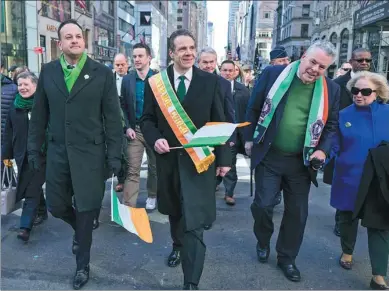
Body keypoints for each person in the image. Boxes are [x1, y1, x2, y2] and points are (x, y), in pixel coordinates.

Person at [27, 19, 122, 290]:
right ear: (60, 43)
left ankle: (82, 265)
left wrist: (115, 155)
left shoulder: (102, 73)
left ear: (84, 40)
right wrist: (35, 150)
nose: (75, 40)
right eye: (68, 37)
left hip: (91, 155)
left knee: (86, 210)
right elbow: (39, 117)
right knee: (57, 206)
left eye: (78, 36)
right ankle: (79, 231)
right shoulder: (48, 72)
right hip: (58, 153)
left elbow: (113, 118)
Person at [140, 29, 231, 290]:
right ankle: (177, 246)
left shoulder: (210, 81)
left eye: (192, 47)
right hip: (168, 161)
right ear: (171, 53)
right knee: (176, 214)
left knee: (195, 223)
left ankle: (191, 282)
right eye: (182, 49)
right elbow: (146, 119)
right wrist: (154, 137)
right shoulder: (156, 83)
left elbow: (220, 120)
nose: (189, 52)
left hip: (200, 162)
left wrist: (224, 159)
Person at [245, 40, 340, 282]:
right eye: (313, 62)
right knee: (263, 206)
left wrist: (322, 151)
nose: (315, 69)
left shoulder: (331, 89)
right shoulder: (273, 74)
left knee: (297, 213)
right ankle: (263, 239)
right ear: (303, 56)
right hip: (270, 155)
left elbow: (330, 126)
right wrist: (248, 139)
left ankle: (286, 258)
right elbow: (253, 108)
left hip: (301, 162)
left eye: (322, 66)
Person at [329, 72, 389, 286]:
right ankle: (347, 251)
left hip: (379, 181)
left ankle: (379, 275)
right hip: (349, 177)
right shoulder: (343, 115)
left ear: (378, 92)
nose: (359, 95)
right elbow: (333, 144)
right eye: (355, 91)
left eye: (365, 91)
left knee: (380, 225)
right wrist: (320, 156)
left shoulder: (388, 113)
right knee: (347, 218)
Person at [323, 48, 372, 237]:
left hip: (368, 141)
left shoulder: (377, 83)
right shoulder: (337, 84)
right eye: (360, 60)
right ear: (351, 61)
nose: (365, 63)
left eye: (368, 60)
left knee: (366, 182)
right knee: (343, 183)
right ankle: (342, 221)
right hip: (343, 140)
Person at [2, 72, 48, 241]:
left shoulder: (44, 104)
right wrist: (5, 155)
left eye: (26, 84)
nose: (22, 87)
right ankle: (42, 211)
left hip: (43, 154)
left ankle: (25, 227)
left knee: (32, 189)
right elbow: (8, 132)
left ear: (35, 85)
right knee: (32, 186)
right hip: (23, 155)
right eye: (19, 84)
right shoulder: (15, 106)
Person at [121, 43, 158, 211]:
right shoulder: (127, 79)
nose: (136, 59)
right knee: (132, 169)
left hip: (154, 131)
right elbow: (122, 106)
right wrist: (127, 127)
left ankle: (152, 195)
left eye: (140, 56)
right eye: (134, 56)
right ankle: (129, 206)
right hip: (134, 130)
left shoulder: (159, 78)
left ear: (149, 58)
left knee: (154, 167)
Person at [217, 60, 250, 206]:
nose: (228, 73)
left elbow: (249, 111)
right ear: (220, 70)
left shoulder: (243, 90)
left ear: (236, 72)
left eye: (231, 70)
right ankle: (219, 185)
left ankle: (229, 193)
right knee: (222, 162)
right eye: (225, 70)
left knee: (230, 163)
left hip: (238, 132)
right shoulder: (214, 86)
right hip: (219, 131)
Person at [113, 53, 130, 193]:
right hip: (114, 120)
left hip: (130, 120)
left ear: (127, 64)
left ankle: (127, 179)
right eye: (117, 65)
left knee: (128, 153)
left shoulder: (132, 79)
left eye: (122, 64)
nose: (120, 67)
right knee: (119, 152)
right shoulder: (108, 80)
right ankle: (121, 179)